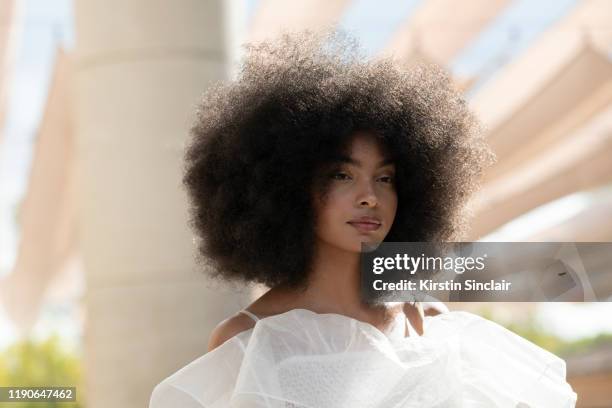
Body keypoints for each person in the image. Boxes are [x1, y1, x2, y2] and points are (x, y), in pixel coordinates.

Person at [149, 30, 577, 407]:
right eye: (342, 175)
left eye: (385, 177)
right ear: (286, 187)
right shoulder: (247, 339)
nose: (369, 197)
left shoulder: (426, 322)